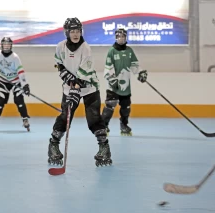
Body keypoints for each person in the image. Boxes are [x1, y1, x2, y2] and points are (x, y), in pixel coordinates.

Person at [48, 17, 112, 167]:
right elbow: (59, 65)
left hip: (89, 87)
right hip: (69, 87)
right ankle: (53, 145)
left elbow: (84, 73)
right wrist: (69, 80)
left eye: (78, 31)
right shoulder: (60, 46)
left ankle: (104, 148)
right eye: (72, 31)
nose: (76, 34)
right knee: (65, 116)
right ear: (67, 32)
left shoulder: (85, 48)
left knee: (94, 118)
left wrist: (75, 91)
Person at [101, 28, 148, 136]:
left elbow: (134, 65)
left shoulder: (129, 51)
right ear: (116, 38)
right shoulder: (112, 51)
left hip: (125, 85)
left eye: (123, 37)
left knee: (126, 107)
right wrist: (111, 78)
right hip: (113, 85)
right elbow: (108, 66)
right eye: (119, 37)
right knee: (110, 106)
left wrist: (140, 73)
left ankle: (124, 125)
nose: (121, 39)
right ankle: (103, 126)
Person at [0, 37, 31, 132]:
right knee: (0, 101)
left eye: (8, 44)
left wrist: (25, 85)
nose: (6, 46)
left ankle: (25, 119)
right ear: (2, 45)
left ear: (11, 46)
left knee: (19, 100)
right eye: (4, 44)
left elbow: (20, 71)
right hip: (3, 80)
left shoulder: (15, 57)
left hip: (15, 81)